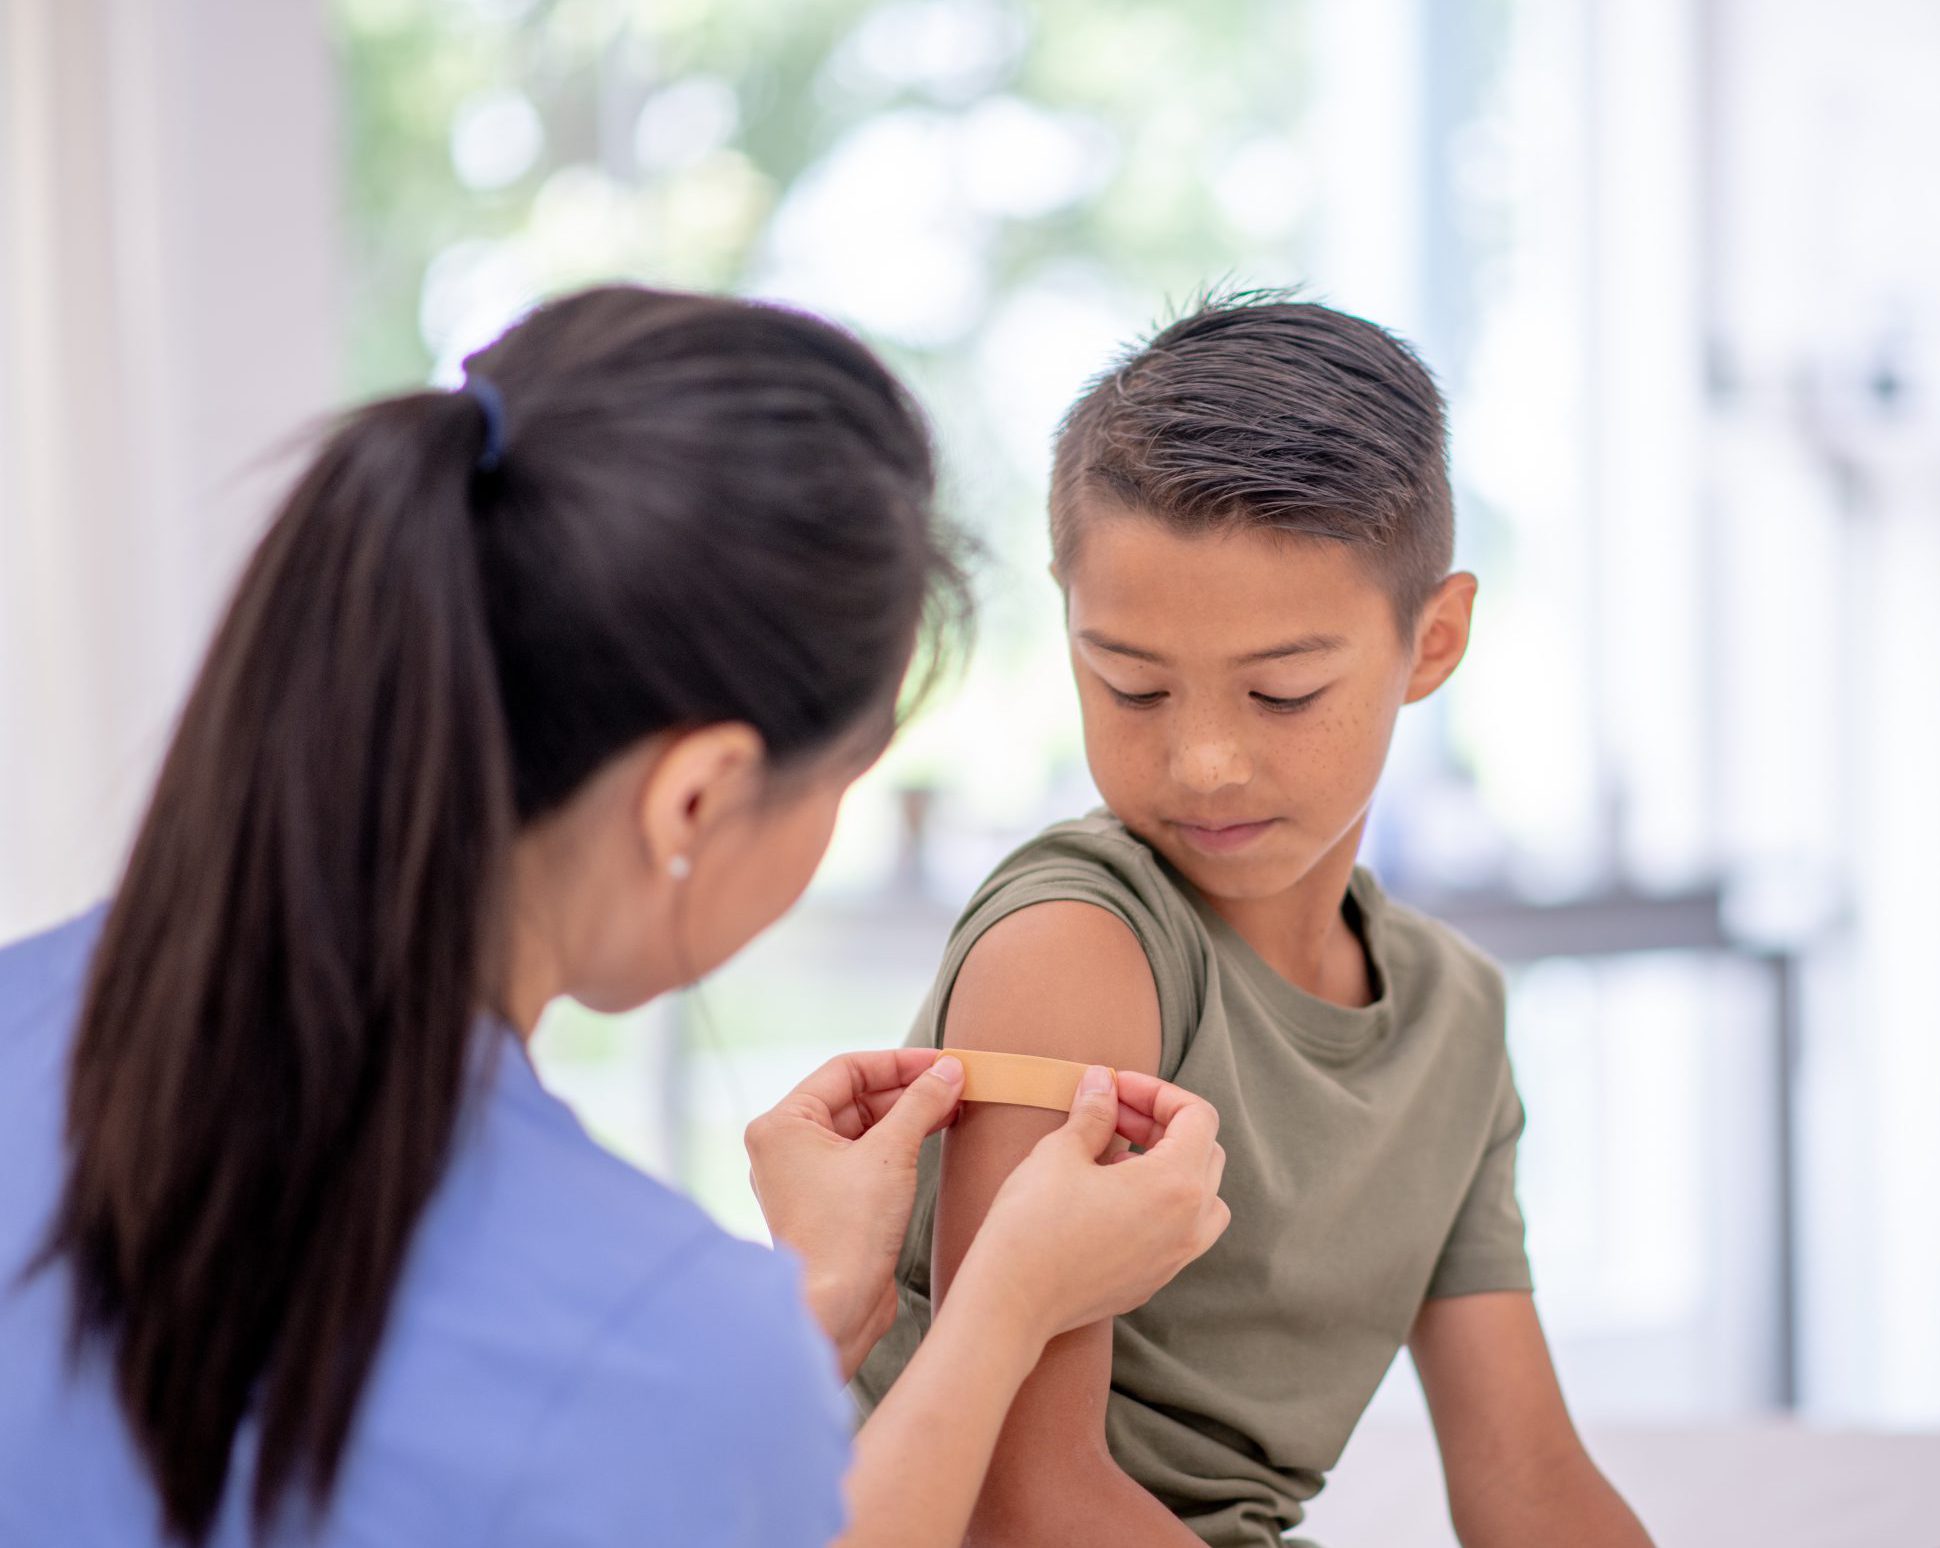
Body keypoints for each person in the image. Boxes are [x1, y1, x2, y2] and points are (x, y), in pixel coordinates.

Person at [0, 285, 1229, 1548]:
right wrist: (1003, 1312)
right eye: (841, 784)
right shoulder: (653, 1342)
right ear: (695, 798)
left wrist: (792, 1321)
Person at [851, 294, 1654, 1547]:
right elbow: (1023, 1502)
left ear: (1431, 640)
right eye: (1131, 684)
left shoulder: (1450, 1017)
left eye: (1282, 693)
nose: (1204, 761)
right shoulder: (1075, 946)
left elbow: (1531, 1486)